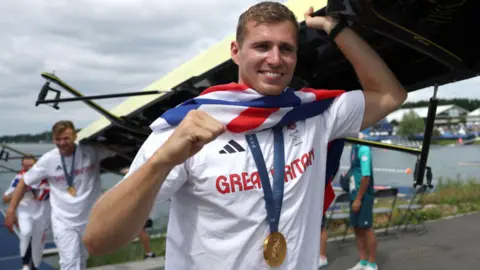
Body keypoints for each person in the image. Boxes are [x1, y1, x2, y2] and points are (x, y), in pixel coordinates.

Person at [83, 2, 406, 270]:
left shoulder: (314, 115)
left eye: (286, 49)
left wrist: (335, 28)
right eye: (262, 46)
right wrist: (161, 163)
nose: (275, 59)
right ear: (236, 52)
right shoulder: (185, 128)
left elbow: (390, 95)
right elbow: (99, 241)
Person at [4, 120, 114, 270]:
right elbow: (24, 182)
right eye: (58, 139)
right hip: (63, 221)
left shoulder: (91, 151)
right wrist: (11, 211)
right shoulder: (48, 160)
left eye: (66, 138)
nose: (62, 143)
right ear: (53, 139)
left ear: (75, 136)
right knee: (69, 262)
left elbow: (124, 150)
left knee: (82, 259)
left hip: (89, 219)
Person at [3, 155, 51, 270]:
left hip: (43, 212)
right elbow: (5, 198)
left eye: (31, 166)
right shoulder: (19, 178)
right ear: (22, 167)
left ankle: (34, 266)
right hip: (25, 211)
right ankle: (25, 264)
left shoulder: (46, 177)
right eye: (25, 167)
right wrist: (21, 190)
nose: (29, 169)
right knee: (26, 233)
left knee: (38, 241)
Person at [347, 132, 378, 270]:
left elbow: (366, 176)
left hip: (363, 195)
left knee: (366, 228)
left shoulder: (364, 148)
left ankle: (372, 263)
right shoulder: (354, 146)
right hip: (353, 193)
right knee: (357, 228)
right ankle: (363, 261)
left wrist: (359, 199)